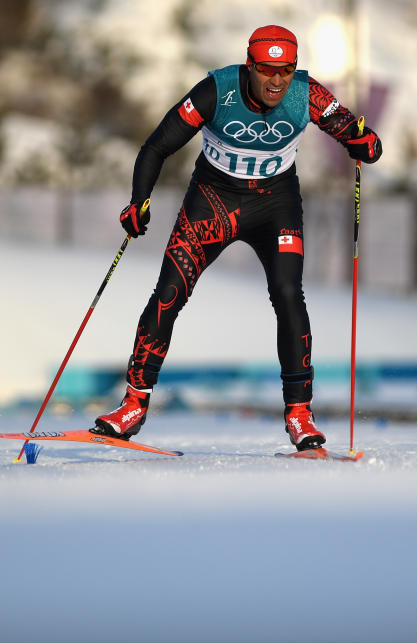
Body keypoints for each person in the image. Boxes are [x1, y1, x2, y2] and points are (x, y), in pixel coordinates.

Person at [90, 25, 382, 450]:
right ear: (250, 66)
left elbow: (351, 130)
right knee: (169, 292)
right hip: (213, 203)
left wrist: (366, 143)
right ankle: (132, 405)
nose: (277, 80)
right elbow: (155, 147)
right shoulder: (215, 90)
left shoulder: (306, 94)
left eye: (286, 70)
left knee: (287, 294)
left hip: (275, 206)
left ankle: (300, 413)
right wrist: (138, 202)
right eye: (267, 70)